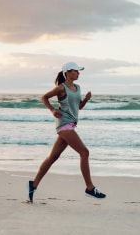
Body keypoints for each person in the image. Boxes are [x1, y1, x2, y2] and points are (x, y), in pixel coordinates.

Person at [27, 62, 106, 202]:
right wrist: (52, 110)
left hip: (71, 124)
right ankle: (89, 188)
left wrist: (86, 100)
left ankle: (33, 184)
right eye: (76, 71)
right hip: (64, 124)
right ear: (68, 72)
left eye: (79, 71)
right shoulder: (61, 88)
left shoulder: (78, 88)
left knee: (53, 157)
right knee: (84, 152)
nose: (78, 73)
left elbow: (79, 107)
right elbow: (44, 97)